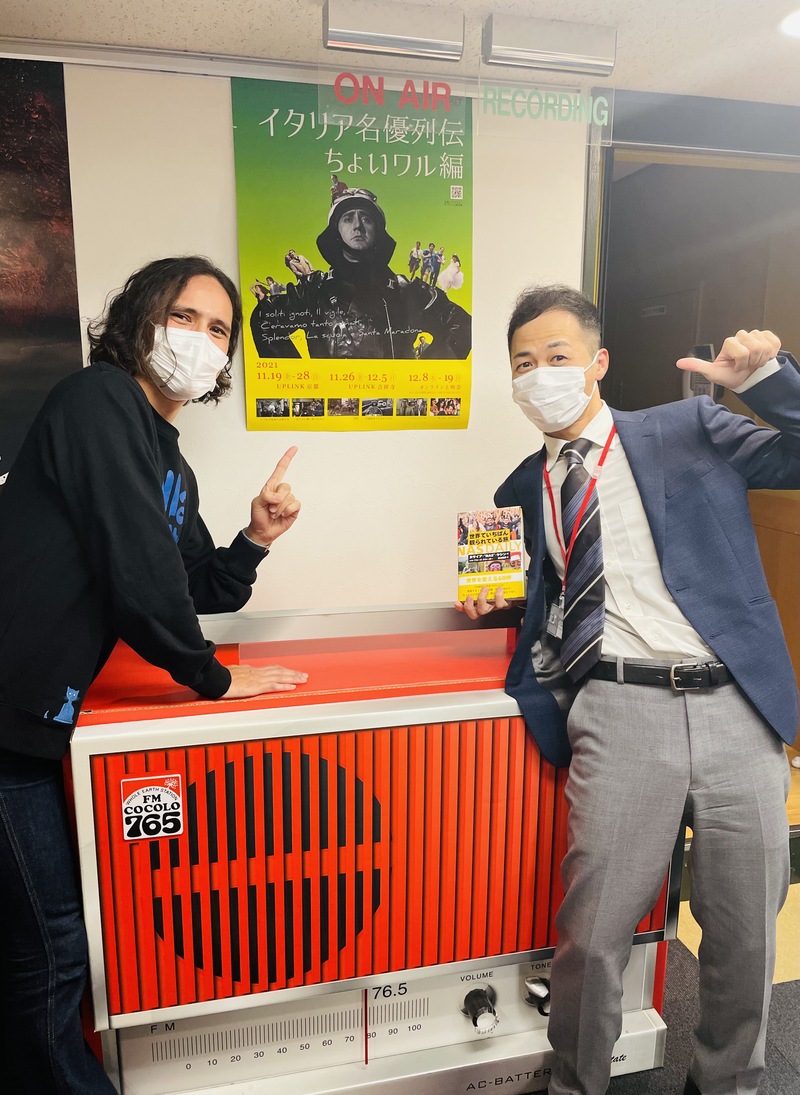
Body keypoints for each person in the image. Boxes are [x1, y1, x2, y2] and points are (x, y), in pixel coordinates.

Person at [458, 284, 799, 1095]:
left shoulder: (687, 427)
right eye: (523, 363)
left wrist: (766, 381)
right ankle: (579, 1084)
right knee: (592, 933)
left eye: (558, 355)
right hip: (616, 708)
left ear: (598, 362)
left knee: (745, 932)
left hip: (734, 704)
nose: (540, 374)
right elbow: (546, 598)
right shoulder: (517, 492)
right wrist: (494, 605)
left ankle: (729, 1084)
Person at [0, 255, 308, 1094]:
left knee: (46, 940)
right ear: (140, 319)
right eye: (184, 317)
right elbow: (137, 570)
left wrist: (255, 538)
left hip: (37, 724)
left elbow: (192, 582)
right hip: (8, 716)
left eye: (219, 329)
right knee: (53, 946)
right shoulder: (97, 400)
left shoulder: (169, 461)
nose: (201, 339)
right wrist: (211, 678)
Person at [250, 188, 471, 360]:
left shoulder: (406, 291)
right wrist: (301, 384)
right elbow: (265, 319)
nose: (357, 226)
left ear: (378, 230)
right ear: (336, 230)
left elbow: (462, 325)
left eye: (366, 218)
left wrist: (420, 378)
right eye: (348, 218)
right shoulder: (315, 291)